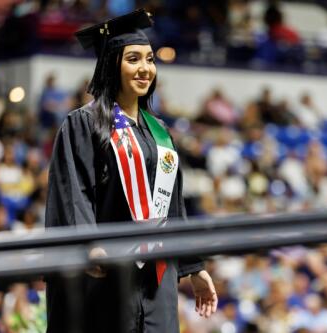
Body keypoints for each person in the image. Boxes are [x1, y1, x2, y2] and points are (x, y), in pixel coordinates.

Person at [44, 9, 217, 333]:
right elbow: (74, 190)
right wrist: (88, 244)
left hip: (157, 276)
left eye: (150, 60)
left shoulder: (160, 132)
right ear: (113, 64)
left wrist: (194, 266)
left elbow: (171, 203)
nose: (145, 69)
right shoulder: (85, 123)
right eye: (133, 59)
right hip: (108, 271)